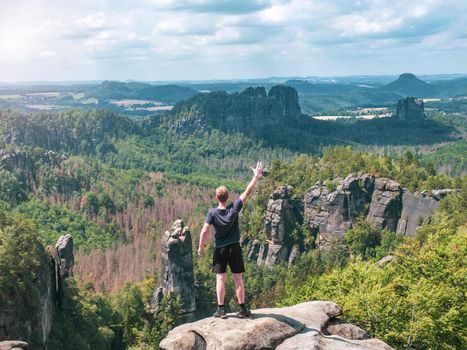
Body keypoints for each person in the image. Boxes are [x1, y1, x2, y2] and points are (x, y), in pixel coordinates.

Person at [198, 161, 263, 319]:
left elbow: (205, 230)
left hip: (219, 249)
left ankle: (221, 310)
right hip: (234, 248)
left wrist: (200, 247)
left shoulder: (212, 213)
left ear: (217, 197)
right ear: (228, 197)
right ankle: (242, 310)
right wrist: (256, 176)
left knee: (220, 278)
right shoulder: (234, 208)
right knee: (238, 279)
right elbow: (247, 192)